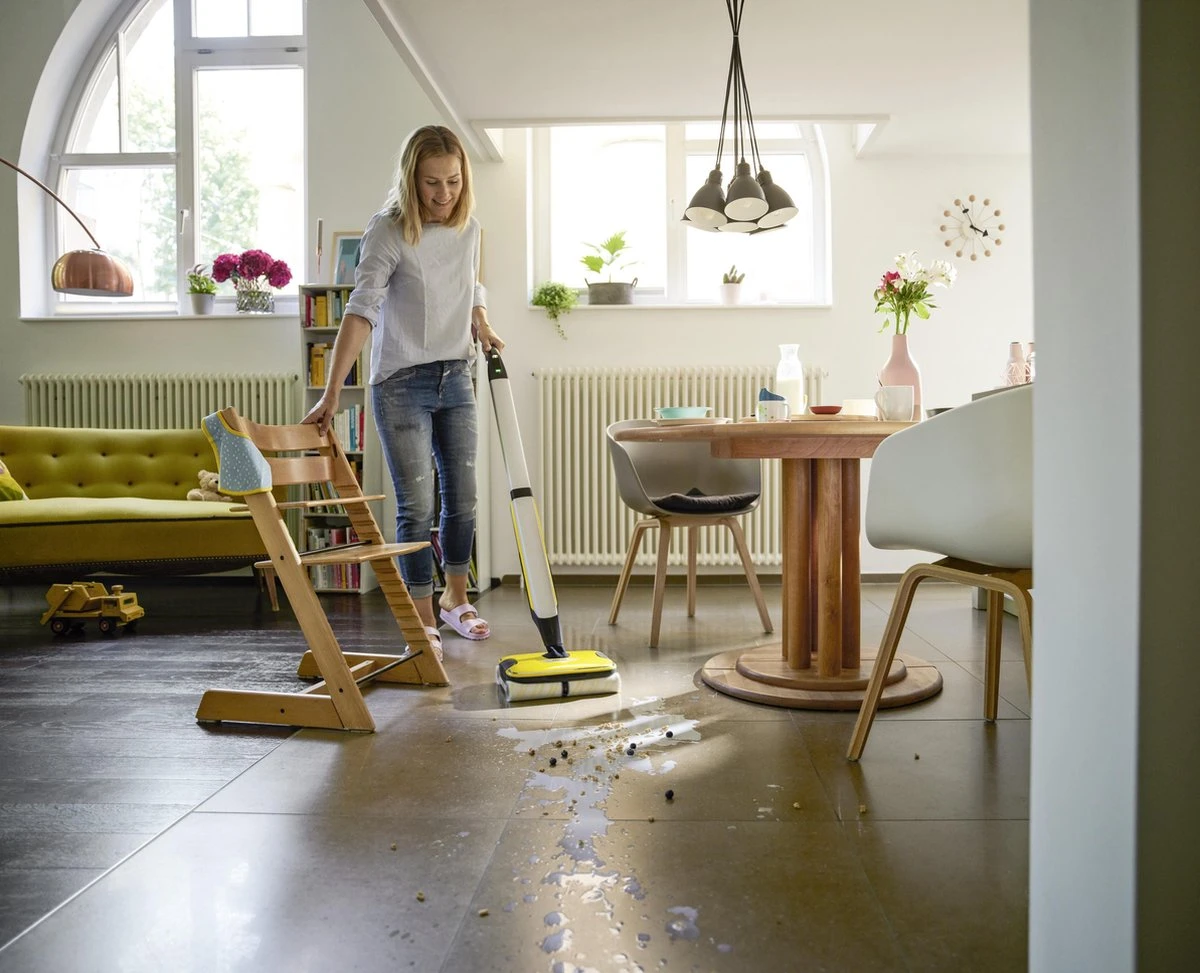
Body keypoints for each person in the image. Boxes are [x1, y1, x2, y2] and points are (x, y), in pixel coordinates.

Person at [303, 125, 503, 660]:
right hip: (400, 382)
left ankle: (455, 599)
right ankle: (421, 615)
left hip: (456, 374)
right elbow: (362, 308)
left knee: (462, 497)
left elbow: (469, 286)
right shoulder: (388, 231)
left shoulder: (469, 228)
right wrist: (331, 393)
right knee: (416, 505)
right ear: (411, 179)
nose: (444, 194)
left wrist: (481, 322)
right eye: (432, 183)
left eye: (453, 182)